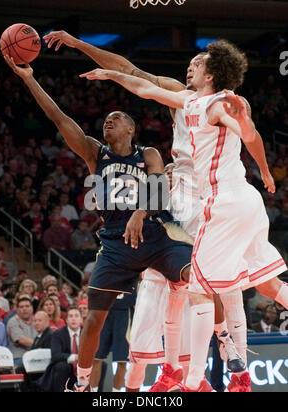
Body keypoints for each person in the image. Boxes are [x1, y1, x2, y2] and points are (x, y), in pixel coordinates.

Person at [43, 31, 275, 392]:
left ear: (211, 72)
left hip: (215, 194)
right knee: (172, 284)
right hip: (182, 195)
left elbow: (247, 134)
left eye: (198, 63)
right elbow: (128, 70)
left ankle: (236, 369)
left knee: (226, 286)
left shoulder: (219, 103)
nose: (190, 66)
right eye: (191, 62)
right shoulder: (180, 97)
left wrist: (259, 163)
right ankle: (173, 370)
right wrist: (79, 46)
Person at [4, 55, 194, 393]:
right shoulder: (95, 153)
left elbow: (159, 187)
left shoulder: (147, 153)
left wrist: (140, 213)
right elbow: (58, 118)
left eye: (117, 118)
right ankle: (81, 384)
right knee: (94, 319)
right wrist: (28, 78)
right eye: (106, 119)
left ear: (131, 129)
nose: (109, 122)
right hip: (116, 244)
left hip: (154, 236)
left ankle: (204, 361)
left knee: (197, 276)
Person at [91, 292, 136, 393]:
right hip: (105, 312)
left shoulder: (132, 276)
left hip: (124, 314)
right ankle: (92, 390)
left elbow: (134, 295)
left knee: (122, 361)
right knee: (97, 357)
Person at [38, 306, 82, 392]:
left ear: (81, 320)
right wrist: (75, 357)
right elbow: (55, 356)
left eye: (76, 316)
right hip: (66, 367)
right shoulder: (58, 334)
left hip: (82, 365)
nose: (73, 319)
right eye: (71, 316)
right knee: (61, 366)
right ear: (66, 320)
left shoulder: (86, 333)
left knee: (102, 365)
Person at [7, 296, 37, 367]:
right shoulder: (13, 322)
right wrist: (42, 344)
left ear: (32, 308)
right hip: (20, 358)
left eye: (27, 306)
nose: (24, 309)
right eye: (21, 307)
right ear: (17, 309)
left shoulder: (37, 320)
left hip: (37, 356)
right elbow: (22, 340)